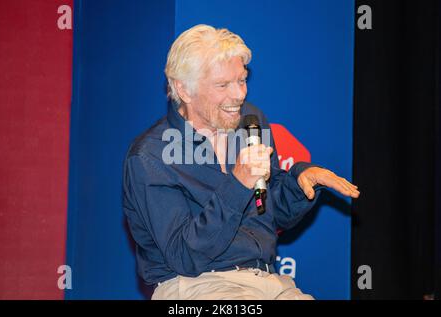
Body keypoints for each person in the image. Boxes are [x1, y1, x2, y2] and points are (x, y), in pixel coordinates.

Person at [123, 24, 360, 300]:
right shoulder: (151, 156)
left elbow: (268, 209)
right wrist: (237, 184)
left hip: (270, 281)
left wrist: (301, 181)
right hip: (196, 286)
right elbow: (183, 256)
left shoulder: (250, 122)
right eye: (223, 85)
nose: (239, 94)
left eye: (242, 80)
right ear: (183, 90)